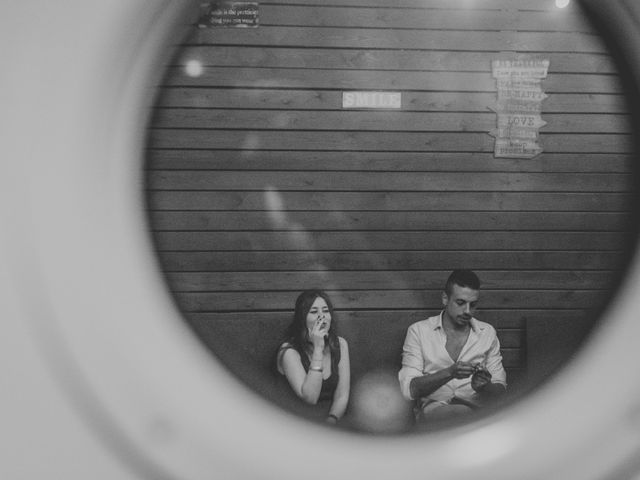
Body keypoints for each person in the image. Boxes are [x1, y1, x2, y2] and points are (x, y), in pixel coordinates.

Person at [398, 270, 507, 425]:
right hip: (434, 413)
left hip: (477, 415)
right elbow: (409, 390)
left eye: (473, 305)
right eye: (461, 303)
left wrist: (485, 387)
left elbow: (501, 390)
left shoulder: (487, 333)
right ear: (445, 298)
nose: (468, 311)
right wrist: (449, 373)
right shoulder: (419, 331)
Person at [276, 290, 350, 424]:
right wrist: (318, 348)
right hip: (299, 422)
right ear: (302, 318)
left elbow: (342, 396)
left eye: (326, 311)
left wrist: (331, 421)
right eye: (314, 312)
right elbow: (310, 399)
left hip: (332, 422)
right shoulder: (289, 351)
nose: (322, 317)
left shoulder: (340, 344)